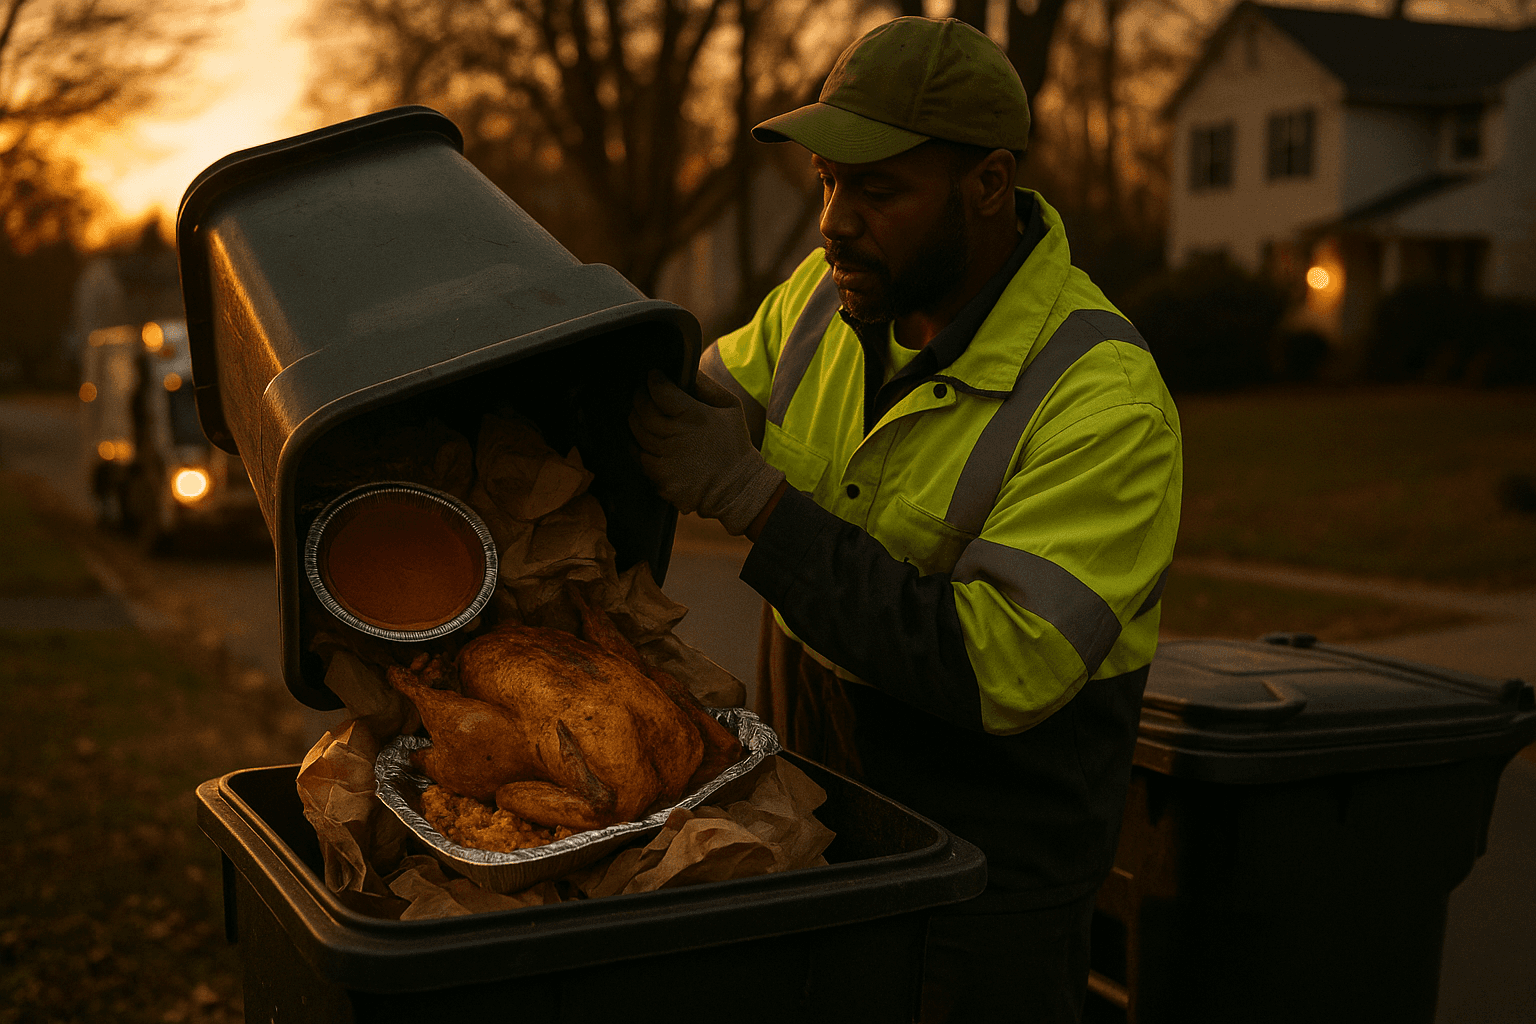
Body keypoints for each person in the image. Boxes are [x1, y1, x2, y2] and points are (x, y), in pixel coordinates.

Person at [630, 15, 1182, 1023]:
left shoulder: (1102, 400)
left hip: (983, 903)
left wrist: (753, 497)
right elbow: (702, 404)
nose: (835, 220)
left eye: (878, 189)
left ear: (988, 186)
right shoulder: (830, 298)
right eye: (829, 184)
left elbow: (993, 669)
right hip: (818, 833)